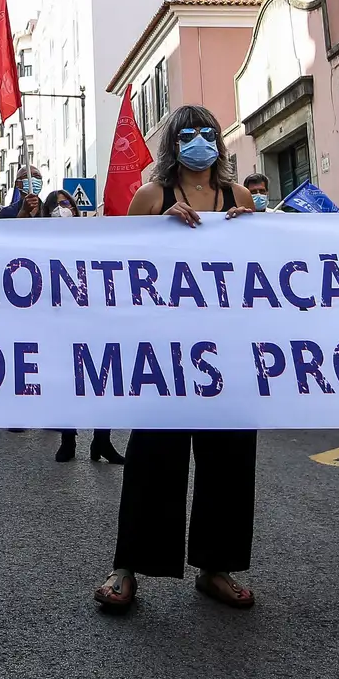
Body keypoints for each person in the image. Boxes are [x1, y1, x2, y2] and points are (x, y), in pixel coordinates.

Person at [95, 105, 256, 613]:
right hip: (164, 352)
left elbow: (261, 272)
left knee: (229, 461)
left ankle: (217, 567)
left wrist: (250, 230)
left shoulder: (241, 198)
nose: (199, 142)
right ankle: (127, 567)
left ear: (219, 142)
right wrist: (157, 230)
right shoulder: (150, 197)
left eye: (206, 133)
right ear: (172, 145)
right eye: (187, 135)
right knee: (152, 460)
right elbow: (117, 265)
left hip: (226, 352)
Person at [41, 190, 123, 463]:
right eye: (55, 205)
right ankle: (68, 439)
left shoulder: (91, 235)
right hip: (60, 319)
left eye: (66, 204)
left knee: (105, 378)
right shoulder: (38, 240)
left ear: (75, 208)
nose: (61, 209)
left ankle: (102, 441)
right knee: (68, 380)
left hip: (95, 317)